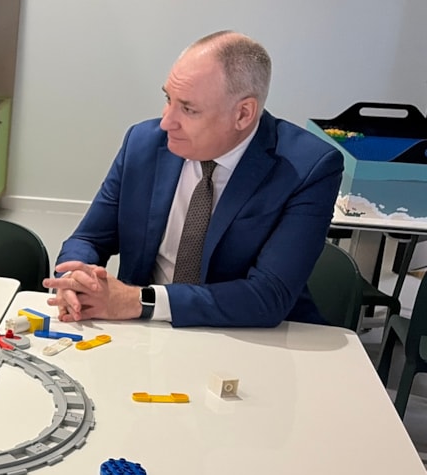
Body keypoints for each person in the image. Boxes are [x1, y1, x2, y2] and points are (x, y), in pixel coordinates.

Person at [44, 31, 344, 329]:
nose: (166, 121)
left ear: (243, 114)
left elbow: (268, 296)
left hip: (253, 341)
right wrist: (75, 277)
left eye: (188, 109)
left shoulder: (308, 167)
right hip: (145, 335)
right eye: (168, 99)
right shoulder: (143, 143)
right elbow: (89, 238)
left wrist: (139, 300)